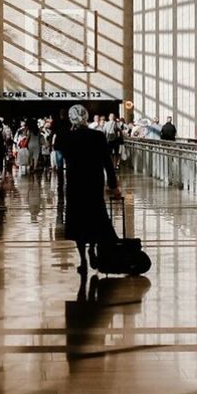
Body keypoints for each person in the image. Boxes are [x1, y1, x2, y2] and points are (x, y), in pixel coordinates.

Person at [53, 104, 120, 276]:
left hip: (75, 184)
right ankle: (93, 249)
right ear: (86, 116)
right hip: (94, 182)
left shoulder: (66, 137)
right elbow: (107, 163)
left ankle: (82, 258)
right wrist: (114, 186)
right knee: (95, 217)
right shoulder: (97, 136)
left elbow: (57, 150)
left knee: (78, 220)